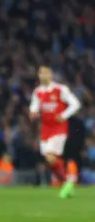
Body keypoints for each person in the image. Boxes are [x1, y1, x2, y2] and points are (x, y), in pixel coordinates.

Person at [29, 66, 81, 198]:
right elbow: (34, 105)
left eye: (45, 73)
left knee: (50, 156)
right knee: (50, 160)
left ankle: (67, 182)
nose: (43, 76)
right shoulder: (37, 92)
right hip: (45, 129)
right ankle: (67, 183)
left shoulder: (60, 89)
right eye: (40, 73)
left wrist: (64, 115)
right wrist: (33, 111)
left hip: (58, 128)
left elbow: (75, 104)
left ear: (51, 75)